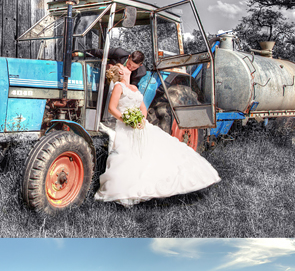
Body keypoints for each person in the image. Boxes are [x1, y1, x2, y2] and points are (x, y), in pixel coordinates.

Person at [94, 64, 220, 207]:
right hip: (126, 126)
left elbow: (142, 107)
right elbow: (112, 108)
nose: (127, 66)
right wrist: (128, 121)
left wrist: (141, 119)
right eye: (122, 66)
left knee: (162, 149)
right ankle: (130, 188)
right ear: (121, 72)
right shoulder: (118, 87)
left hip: (140, 125)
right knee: (130, 156)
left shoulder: (134, 88)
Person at [82, 47, 147, 86]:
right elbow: (99, 52)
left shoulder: (140, 73)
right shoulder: (119, 53)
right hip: (102, 78)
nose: (130, 68)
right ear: (129, 57)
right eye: (129, 64)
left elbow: (130, 86)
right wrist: (82, 53)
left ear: (140, 65)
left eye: (134, 67)